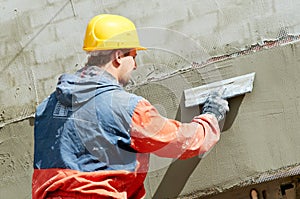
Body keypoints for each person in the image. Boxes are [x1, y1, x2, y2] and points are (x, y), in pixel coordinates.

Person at [32, 14, 229, 199]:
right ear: (118, 56)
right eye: (133, 56)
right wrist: (210, 117)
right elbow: (180, 143)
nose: (135, 65)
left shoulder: (46, 108)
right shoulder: (125, 107)